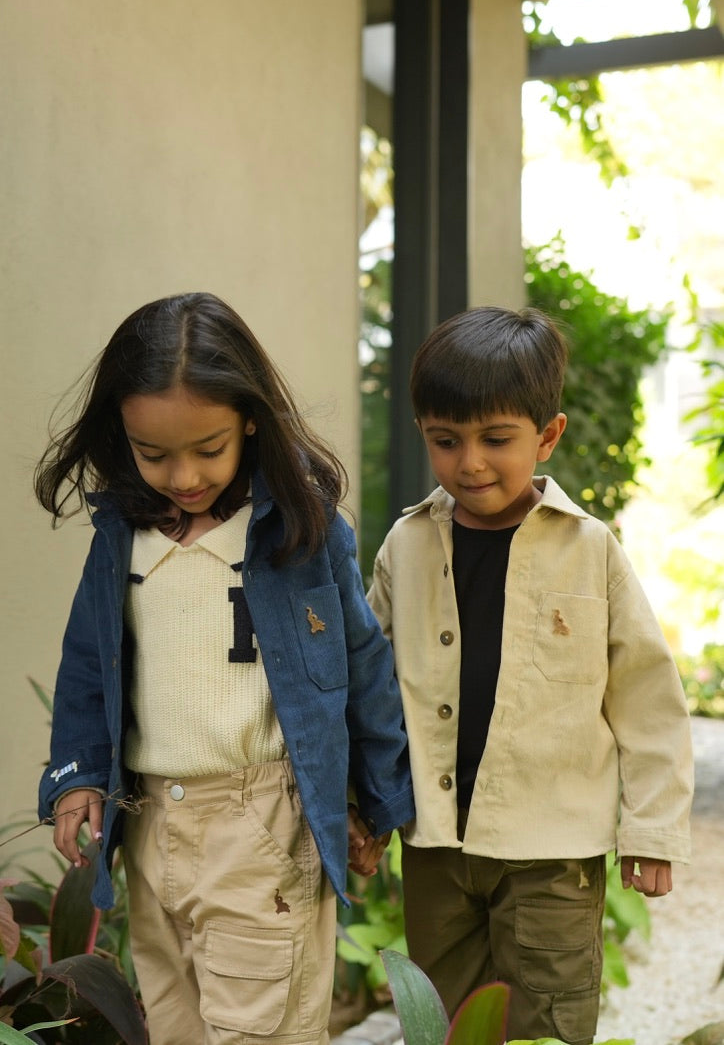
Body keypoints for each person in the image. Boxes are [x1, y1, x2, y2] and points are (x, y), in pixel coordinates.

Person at [36, 292, 414, 1045]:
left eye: (207, 449)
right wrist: (77, 773)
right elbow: (88, 664)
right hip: (150, 826)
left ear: (249, 417)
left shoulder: (301, 530)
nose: (182, 476)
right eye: (154, 453)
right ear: (122, 434)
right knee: (174, 1027)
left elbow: (363, 663)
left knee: (258, 1031)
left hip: (261, 824)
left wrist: (376, 802)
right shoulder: (123, 535)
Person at [366, 306, 693, 1045]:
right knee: (444, 1020)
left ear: (547, 436)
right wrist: (365, 807)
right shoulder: (407, 545)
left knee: (549, 1017)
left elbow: (647, 697)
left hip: (553, 849)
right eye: (445, 441)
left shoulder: (590, 550)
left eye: (496, 440)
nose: (470, 463)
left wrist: (652, 830)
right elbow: (371, 689)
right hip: (436, 844)